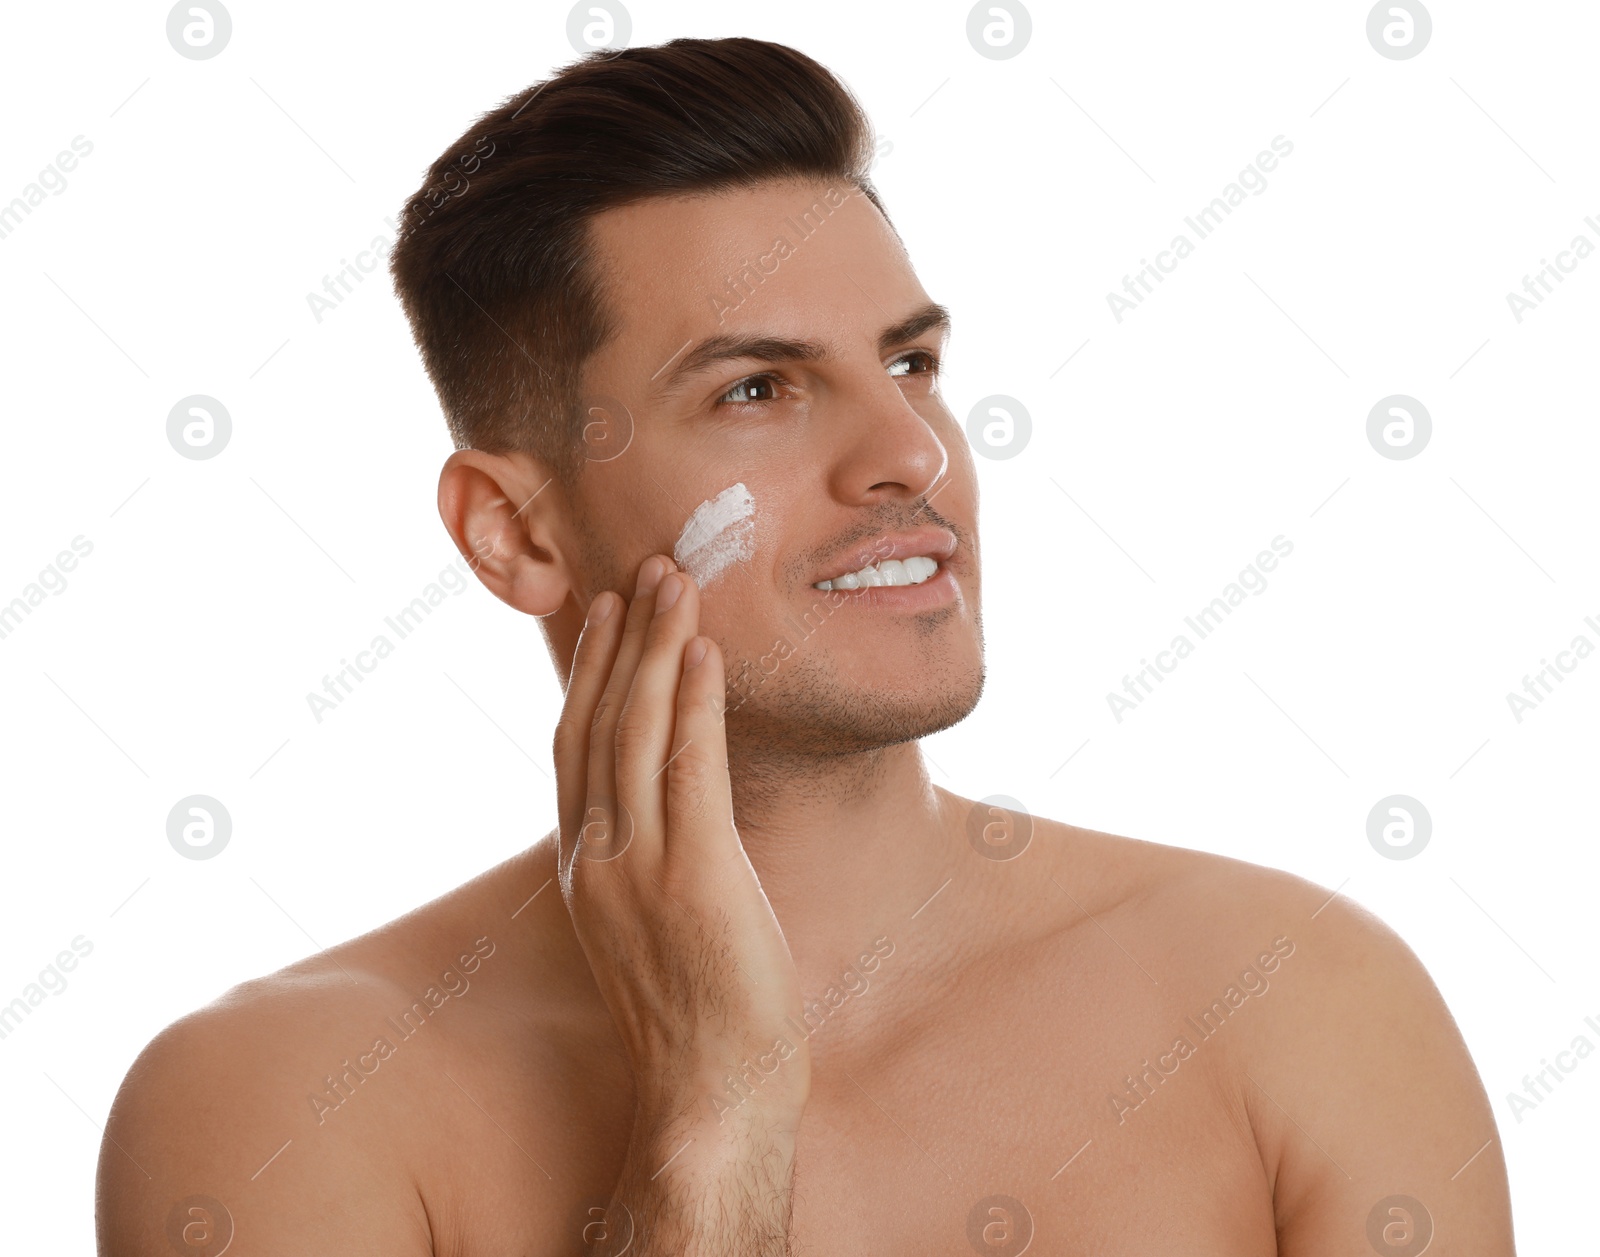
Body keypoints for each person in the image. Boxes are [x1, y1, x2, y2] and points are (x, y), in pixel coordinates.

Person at [97, 36, 1515, 1255]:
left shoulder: (1296, 1000)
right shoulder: (281, 1101)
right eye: (761, 387)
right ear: (515, 533)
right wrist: (712, 1119)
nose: (911, 450)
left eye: (909, 362)